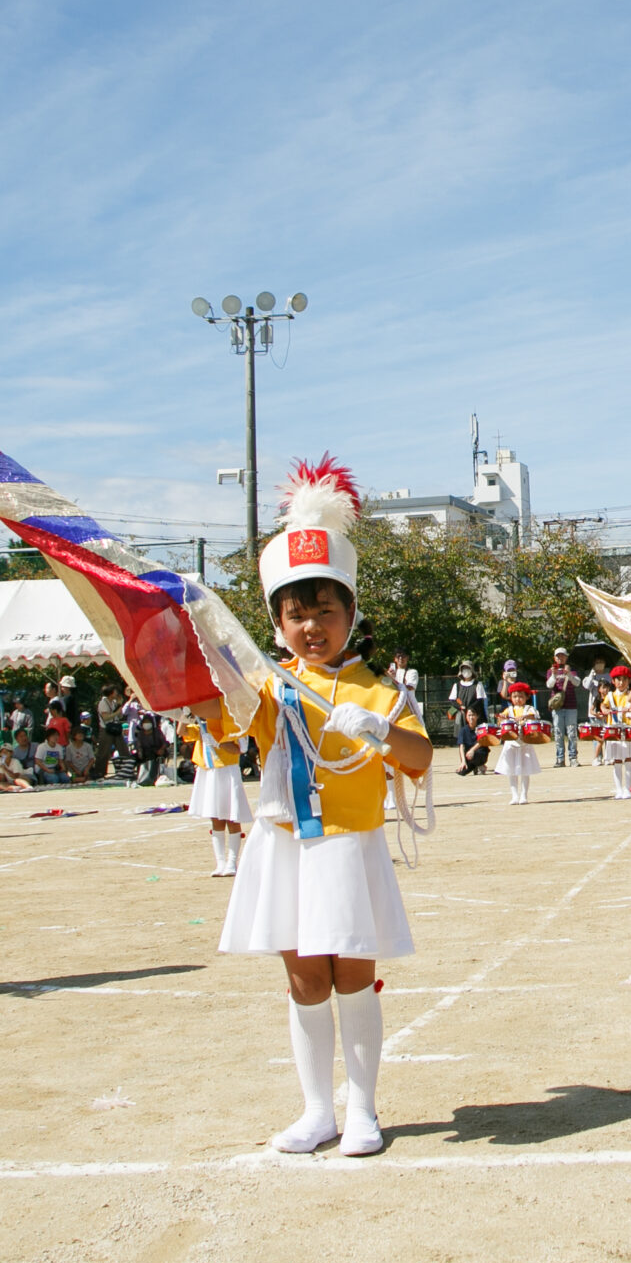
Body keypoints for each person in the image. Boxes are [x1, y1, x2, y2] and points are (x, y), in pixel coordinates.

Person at [218, 458, 431, 1158]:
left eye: (325, 611)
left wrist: (378, 728)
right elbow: (224, 722)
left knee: (353, 979)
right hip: (285, 844)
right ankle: (316, 1111)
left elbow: (421, 757)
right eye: (296, 614)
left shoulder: (378, 689)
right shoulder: (269, 684)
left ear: (351, 614)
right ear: (278, 622)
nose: (312, 625)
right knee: (304, 979)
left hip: (347, 844)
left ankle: (362, 1109)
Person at [184, 702, 250, 875]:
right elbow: (182, 732)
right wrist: (184, 714)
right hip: (208, 772)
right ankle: (220, 863)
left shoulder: (230, 722)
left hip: (227, 770)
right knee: (215, 817)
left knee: (232, 817)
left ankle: (232, 862)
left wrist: (218, 741)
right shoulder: (201, 725)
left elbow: (239, 749)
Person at [494, 682, 543, 805]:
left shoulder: (529, 709)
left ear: (526, 697)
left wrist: (524, 717)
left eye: (521, 696)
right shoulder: (508, 710)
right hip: (511, 743)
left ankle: (524, 795)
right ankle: (514, 796)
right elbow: (500, 722)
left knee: (525, 771)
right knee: (511, 771)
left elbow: (534, 716)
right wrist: (501, 718)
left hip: (525, 742)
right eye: (515, 696)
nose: (517, 699)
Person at [599, 664, 631, 798]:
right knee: (617, 761)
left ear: (629, 681)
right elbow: (603, 705)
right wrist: (604, 709)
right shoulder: (610, 695)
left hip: (628, 731)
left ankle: (627, 789)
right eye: (618, 679)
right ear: (613, 681)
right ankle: (618, 790)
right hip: (614, 732)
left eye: (624, 679)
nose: (621, 683)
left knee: (628, 760)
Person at [545, 649, 581, 767]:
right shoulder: (551, 671)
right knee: (558, 733)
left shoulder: (572, 670)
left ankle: (573, 757)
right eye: (558, 656)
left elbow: (577, 683)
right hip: (557, 707)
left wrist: (569, 674)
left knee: (572, 732)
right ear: (555, 658)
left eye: (563, 656)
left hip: (571, 706)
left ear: (566, 657)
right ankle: (560, 758)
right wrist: (554, 674)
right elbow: (549, 685)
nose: (560, 658)